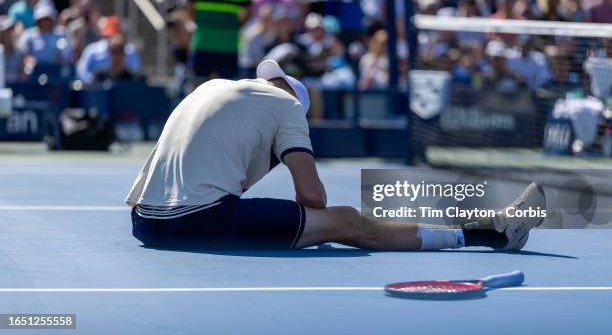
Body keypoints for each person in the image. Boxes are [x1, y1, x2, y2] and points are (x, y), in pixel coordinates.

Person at [127, 59, 543, 251]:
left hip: (144, 224)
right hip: (200, 220)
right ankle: (487, 233)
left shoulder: (210, 88)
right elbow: (314, 198)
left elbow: (136, 196)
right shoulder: (287, 108)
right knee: (346, 221)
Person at [77, 16, 141, 84]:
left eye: (120, 52)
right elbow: (82, 73)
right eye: (109, 36)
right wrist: (96, 83)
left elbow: (135, 72)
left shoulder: (131, 51)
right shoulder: (91, 50)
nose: (117, 56)